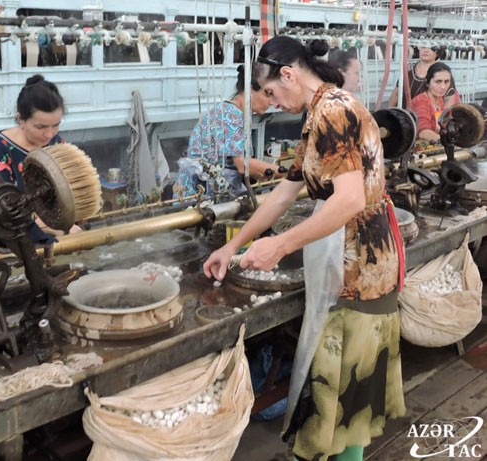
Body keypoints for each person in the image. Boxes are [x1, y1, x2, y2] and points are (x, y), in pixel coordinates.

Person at [204, 36, 406, 461]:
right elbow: (284, 192)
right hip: (351, 256)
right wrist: (235, 244)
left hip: (358, 266)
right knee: (347, 397)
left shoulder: (332, 111)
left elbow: (349, 201)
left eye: (271, 91)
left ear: (289, 74)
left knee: (342, 393)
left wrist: (280, 245)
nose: (272, 102)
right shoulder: (319, 112)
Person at [0, 74, 81, 243]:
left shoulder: (57, 144)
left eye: (56, 125)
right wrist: (47, 226)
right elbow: (2, 213)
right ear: (21, 120)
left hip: (58, 228)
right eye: (40, 127)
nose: (49, 134)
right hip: (13, 239)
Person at [173, 65, 283, 200]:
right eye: (267, 94)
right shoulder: (231, 115)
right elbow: (242, 164)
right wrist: (285, 174)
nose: (271, 102)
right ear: (250, 89)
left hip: (214, 190)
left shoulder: (236, 114)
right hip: (198, 195)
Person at [388, 45, 457, 109]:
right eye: (423, 47)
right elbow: (396, 94)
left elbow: (449, 99)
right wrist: (387, 113)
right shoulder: (409, 69)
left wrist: (443, 116)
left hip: (430, 115)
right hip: (406, 115)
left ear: (437, 52)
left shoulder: (443, 73)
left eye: (431, 48)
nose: (426, 51)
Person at [411, 62, 460, 141]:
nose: (443, 87)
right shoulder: (421, 101)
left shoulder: (439, 100)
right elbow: (423, 133)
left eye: (446, 82)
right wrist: (447, 142)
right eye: (438, 82)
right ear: (428, 83)